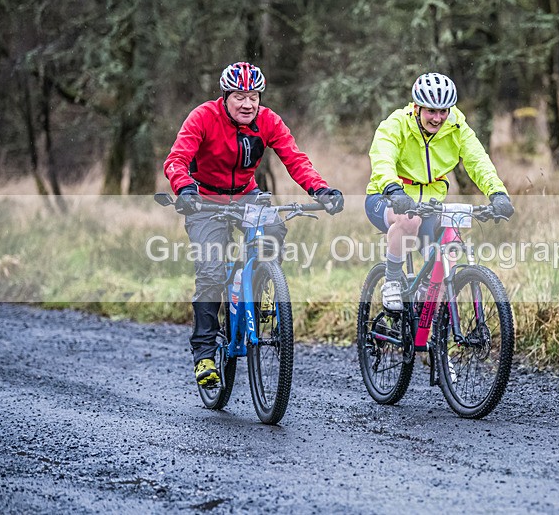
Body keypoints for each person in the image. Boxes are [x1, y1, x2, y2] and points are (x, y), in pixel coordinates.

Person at [164, 61, 344, 387]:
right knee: (210, 272)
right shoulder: (203, 116)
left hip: (247, 196)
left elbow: (295, 159)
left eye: (254, 96)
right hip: (204, 200)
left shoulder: (268, 120)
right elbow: (176, 160)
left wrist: (321, 189)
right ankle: (205, 353)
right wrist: (185, 189)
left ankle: (255, 286)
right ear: (225, 97)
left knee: (273, 231)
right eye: (239, 96)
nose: (248, 104)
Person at [365, 72, 514, 311]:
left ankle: (427, 302)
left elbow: (478, 161)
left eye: (443, 111)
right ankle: (392, 282)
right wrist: (393, 189)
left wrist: (498, 193)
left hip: (431, 204)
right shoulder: (397, 124)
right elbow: (382, 157)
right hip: (387, 197)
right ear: (417, 107)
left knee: (450, 246)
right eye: (431, 111)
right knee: (409, 221)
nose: (437, 118)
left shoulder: (457, 127)